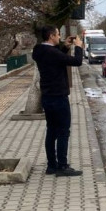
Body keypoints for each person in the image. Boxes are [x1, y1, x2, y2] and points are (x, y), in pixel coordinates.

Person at [32, 26, 84, 177]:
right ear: (50, 36)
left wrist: (65, 47)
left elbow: (55, 59)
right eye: (57, 34)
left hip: (47, 97)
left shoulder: (39, 51)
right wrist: (78, 47)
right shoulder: (52, 52)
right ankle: (62, 166)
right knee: (63, 132)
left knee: (51, 131)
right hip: (59, 97)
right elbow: (77, 61)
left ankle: (51, 166)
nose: (59, 37)